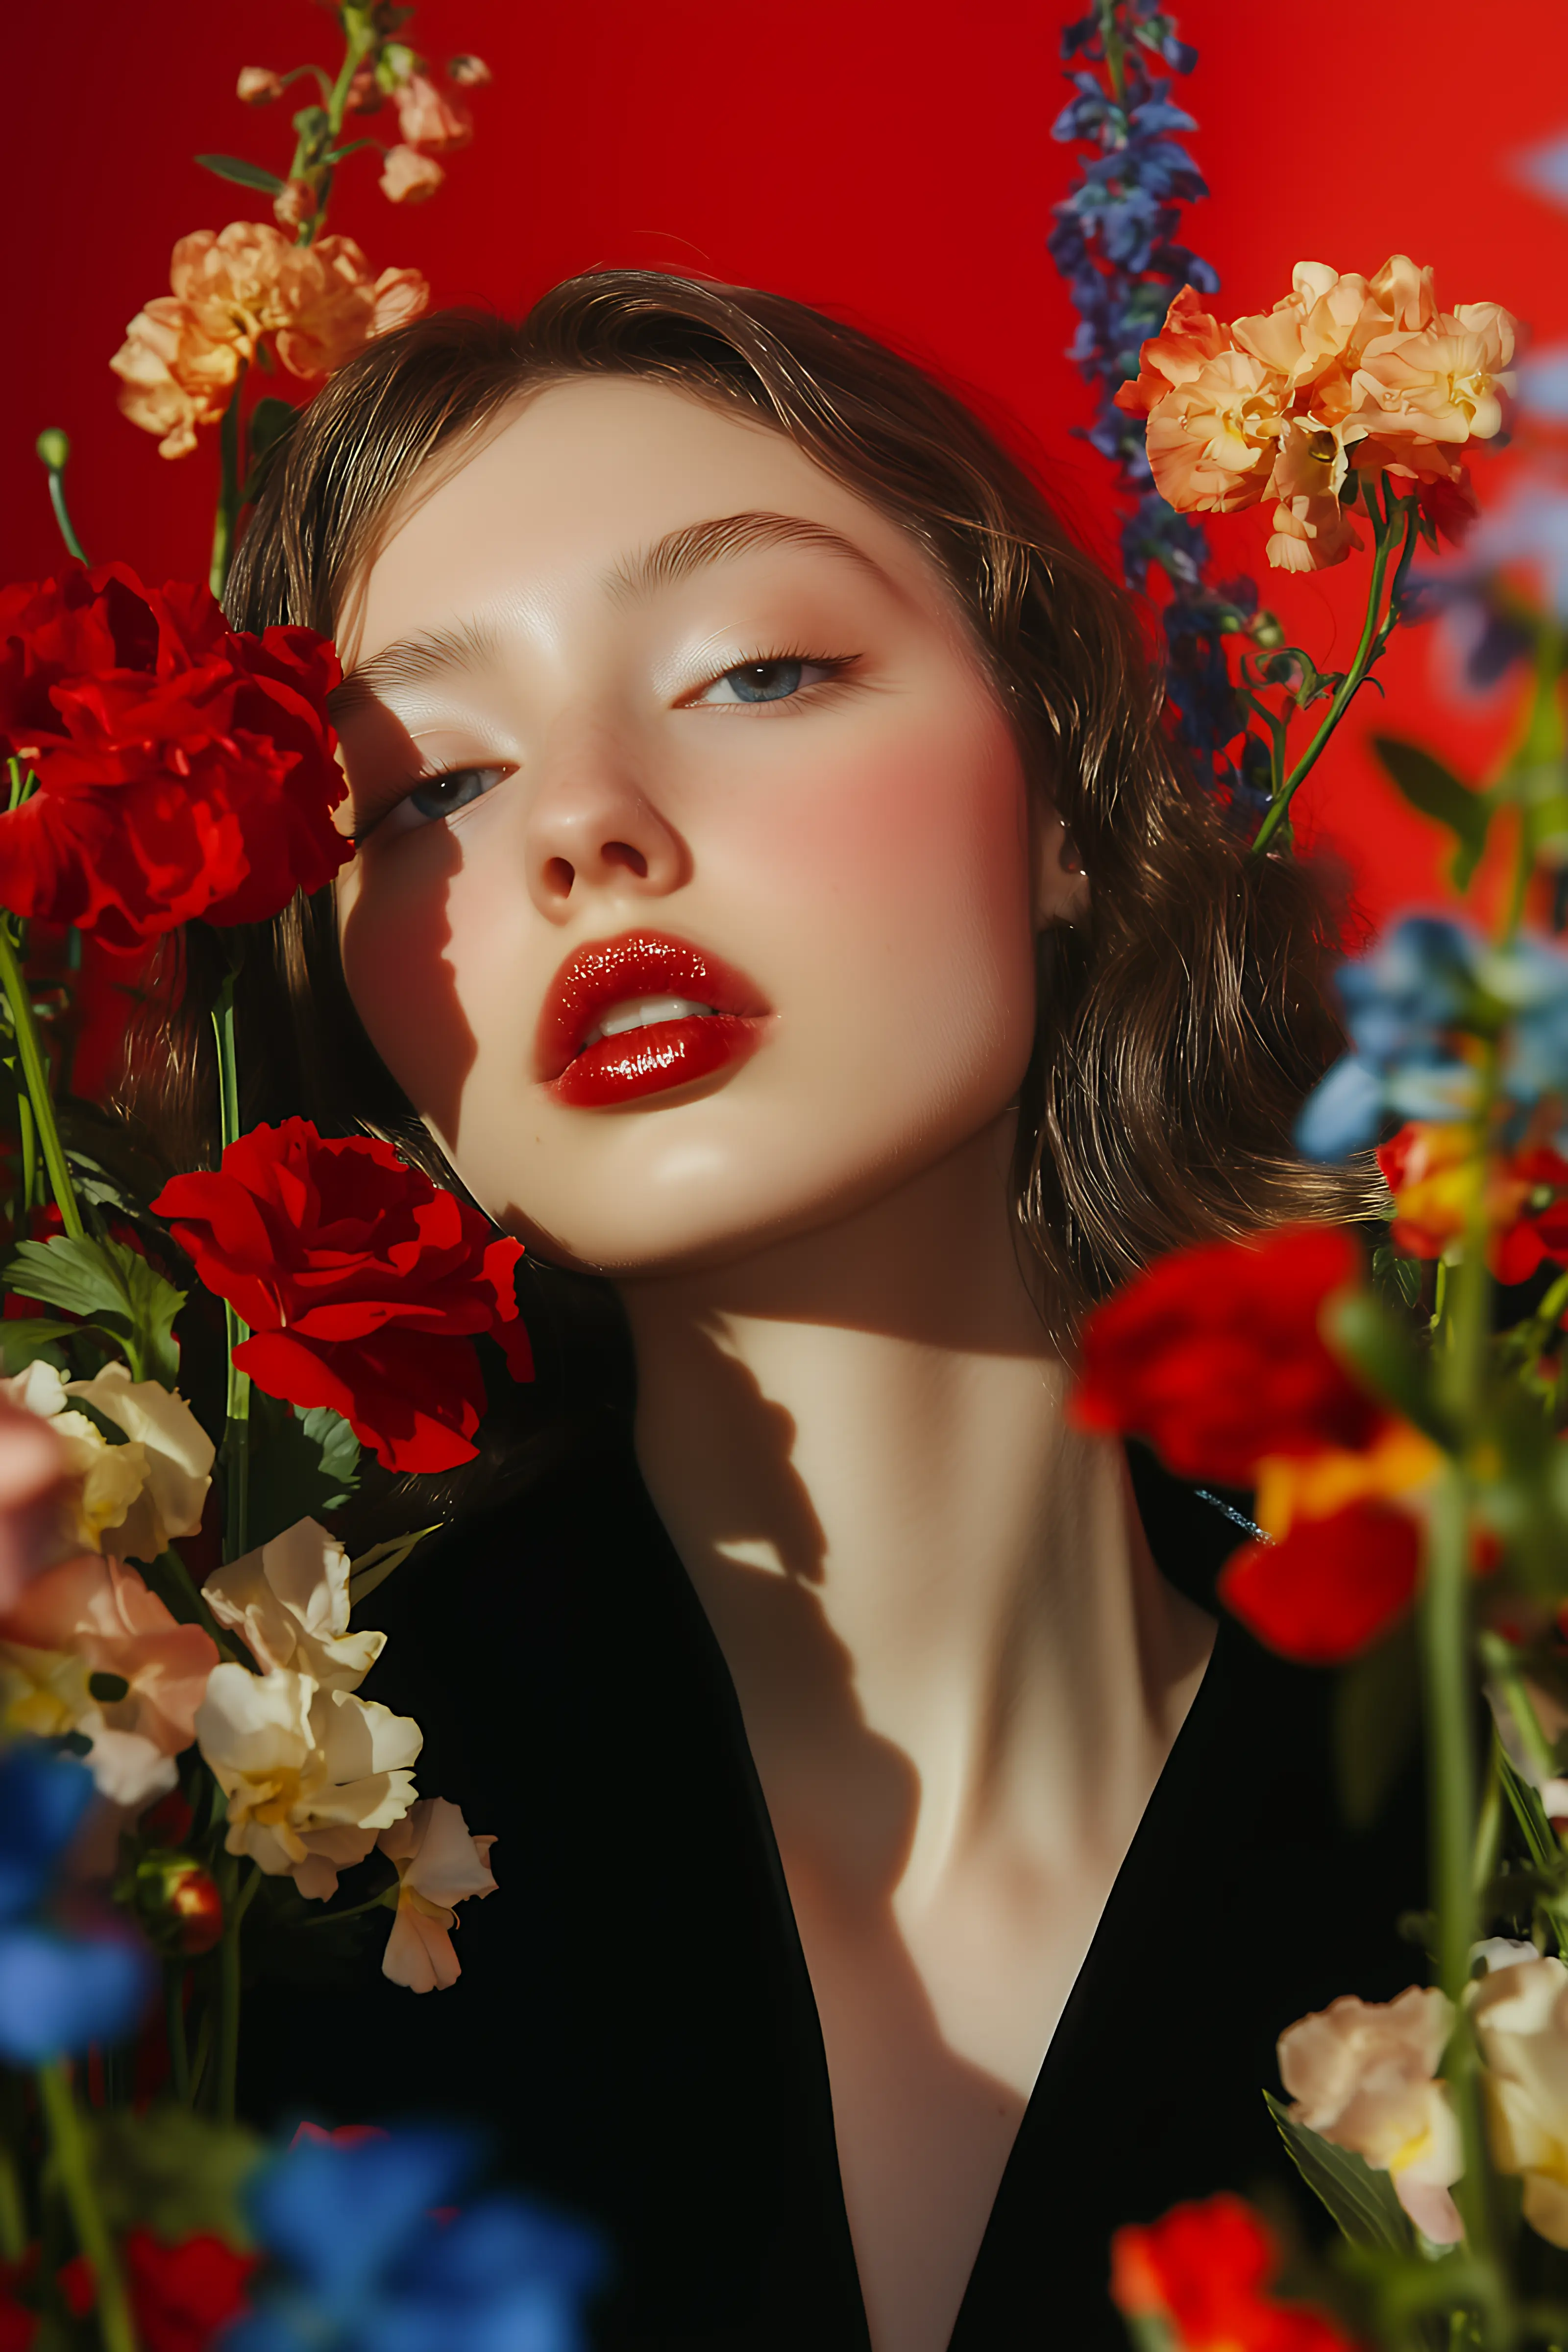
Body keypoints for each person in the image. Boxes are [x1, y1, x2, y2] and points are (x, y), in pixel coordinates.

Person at [162, 274, 1416, 2352]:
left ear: (1067, 818)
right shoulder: (217, 1875)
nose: (577, 827)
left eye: (754, 669)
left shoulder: (1482, 1817)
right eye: (427, 790)